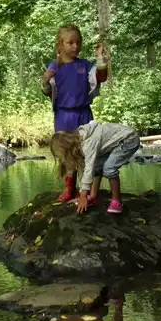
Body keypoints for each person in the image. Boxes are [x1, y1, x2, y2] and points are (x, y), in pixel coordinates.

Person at [41, 24, 109, 202]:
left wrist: (100, 58)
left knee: (88, 151)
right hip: (63, 115)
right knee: (66, 153)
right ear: (60, 45)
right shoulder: (55, 66)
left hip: (83, 113)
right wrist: (45, 81)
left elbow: (101, 77)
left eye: (78, 42)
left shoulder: (85, 65)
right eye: (70, 43)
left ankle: (87, 190)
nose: (75, 46)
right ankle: (69, 189)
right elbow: (48, 91)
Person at [49, 120, 140, 214]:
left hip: (128, 139)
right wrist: (82, 195)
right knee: (97, 166)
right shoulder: (78, 144)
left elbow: (89, 168)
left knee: (109, 168)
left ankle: (116, 201)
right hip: (116, 142)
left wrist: (83, 196)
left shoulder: (88, 143)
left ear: (66, 147)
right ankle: (93, 197)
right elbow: (82, 170)